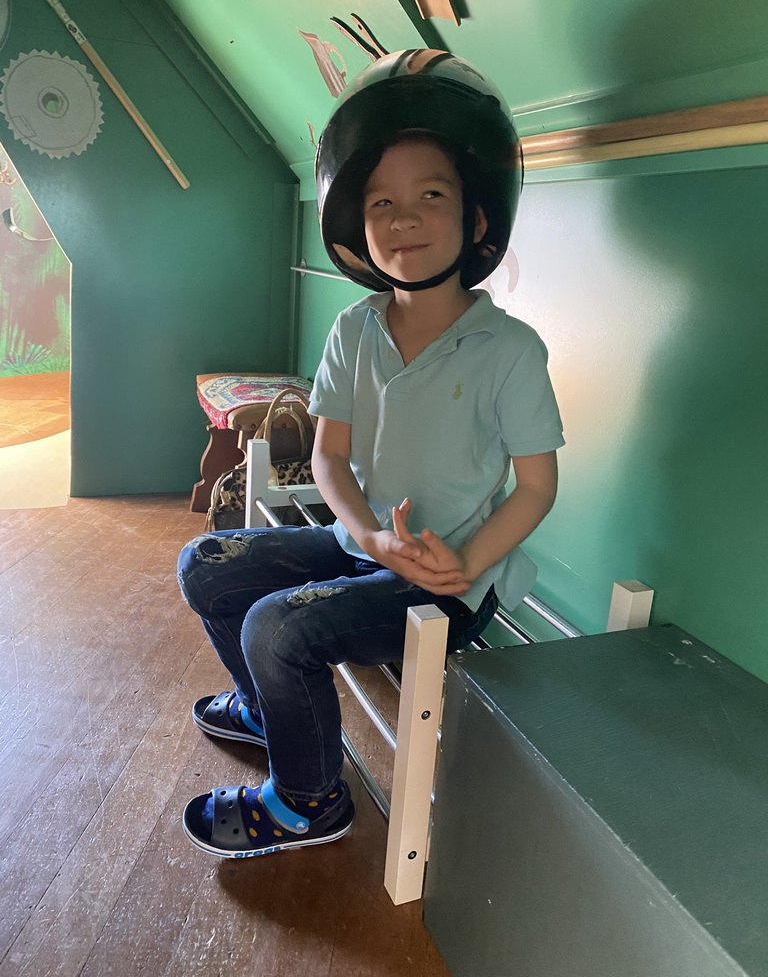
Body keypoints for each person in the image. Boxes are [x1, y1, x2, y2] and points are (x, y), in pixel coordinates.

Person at [177, 50, 564, 859]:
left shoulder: (510, 349)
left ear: (478, 219)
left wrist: (456, 563)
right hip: (364, 548)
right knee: (206, 562)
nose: (402, 220)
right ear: (357, 223)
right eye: (381, 201)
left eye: (431, 195)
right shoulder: (353, 331)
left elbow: (534, 487)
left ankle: (309, 801)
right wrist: (370, 535)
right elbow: (329, 461)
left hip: (456, 582)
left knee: (276, 626)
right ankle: (266, 709)